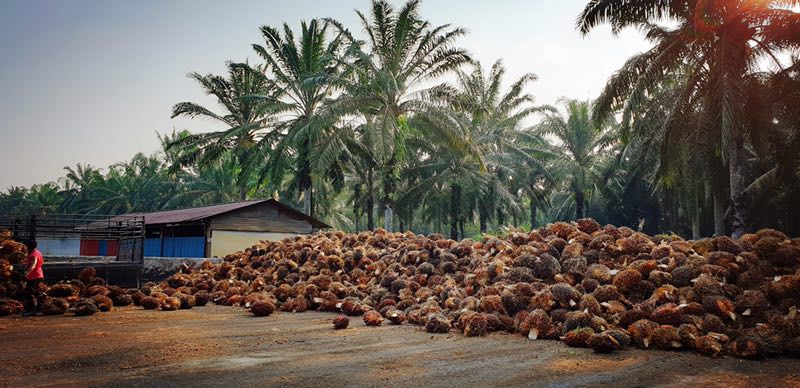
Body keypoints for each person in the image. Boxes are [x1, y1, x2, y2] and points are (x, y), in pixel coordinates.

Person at [22, 239, 45, 316]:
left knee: (30, 293)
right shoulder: (38, 252)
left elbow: (33, 265)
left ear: (29, 247)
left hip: (33, 276)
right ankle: (38, 308)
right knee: (36, 292)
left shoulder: (33, 255)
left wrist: (27, 273)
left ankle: (32, 310)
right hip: (39, 274)